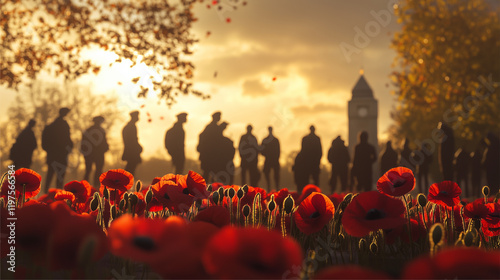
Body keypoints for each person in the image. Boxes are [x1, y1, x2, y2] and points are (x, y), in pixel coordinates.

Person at [42, 107, 73, 191]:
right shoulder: (63, 125)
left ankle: (47, 193)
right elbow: (68, 140)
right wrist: (69, 148)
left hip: (54, 155)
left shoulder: (51, 126)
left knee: (51, 175)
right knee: (58, 177)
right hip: (60, 155)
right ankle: (56, 194)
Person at [81, 116, 109, 186]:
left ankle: (89, 186)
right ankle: (88, 186)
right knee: (92, 171)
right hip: (94, 154)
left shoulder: (89, 130)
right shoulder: (100, 131)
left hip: (94, 154)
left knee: (93, 171)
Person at [197, 111, 221, 181]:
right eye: (218, 117)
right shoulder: (212, 127)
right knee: (208, 172)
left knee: (211, 172)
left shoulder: (213, 127)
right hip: (209, 154)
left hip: (212, 154)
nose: (219, 118)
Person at [122, 111, 142, 176]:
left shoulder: (130, 126)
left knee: (131, 167)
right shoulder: (131, 127)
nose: (138, 118)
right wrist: (138, 147)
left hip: (131, 150)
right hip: (132, 151)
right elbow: (132, 140)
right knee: (131, 167)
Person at [261, 126, 280, 191]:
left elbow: (278, 151)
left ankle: (276, 187)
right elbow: (262, 150)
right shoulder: (268, 140)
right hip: (269, 159)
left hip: (273, 159)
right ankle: (269, 186)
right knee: (267, 173)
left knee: (276, 174)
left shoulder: (275, 140)